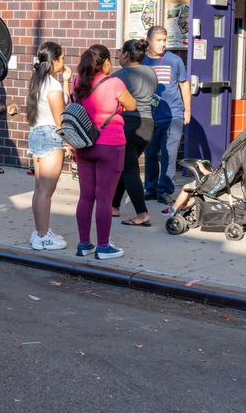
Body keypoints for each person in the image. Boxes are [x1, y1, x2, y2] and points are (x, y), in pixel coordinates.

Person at [71, 44, 136, 259]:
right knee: (104, 198)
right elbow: (132, 105)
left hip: (84, 144)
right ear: (106, 62)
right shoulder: (115, 83)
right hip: (110, 145)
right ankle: (104, 246)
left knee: (86, 196)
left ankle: (83, 244)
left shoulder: (77, 82)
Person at [25, 41, 68, 250]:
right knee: (45, 191)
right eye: (62, 58)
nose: (64, 62)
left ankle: (40, 231)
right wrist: (69, 142)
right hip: (51, 136)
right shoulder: (53, 85)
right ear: (55, 60)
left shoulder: (38, 81)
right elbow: (61, 118)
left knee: (39, 189)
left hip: (36, 134)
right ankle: (43, 235)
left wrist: (66, 82)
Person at [110, 38, 158, 226]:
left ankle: (141, 213)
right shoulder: (151, 73)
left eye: (121, 52)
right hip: (148, 125)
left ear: (126, 54)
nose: (119, 56)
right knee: (125, 166)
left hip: (129, 125)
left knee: (130, 170)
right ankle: (114, 206)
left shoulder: (119, 76)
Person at [142, 25, 191, 206]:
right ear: (148, 40)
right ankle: (151, 188)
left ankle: (165, 190)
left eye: (165, 40)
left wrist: (187, 110)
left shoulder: (175, 60)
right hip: (150, 116)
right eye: (158, 40)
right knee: (151, 153)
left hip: (173, 115)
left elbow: (184, 84)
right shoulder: (142, 61)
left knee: (169, 155)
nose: (163, 44)